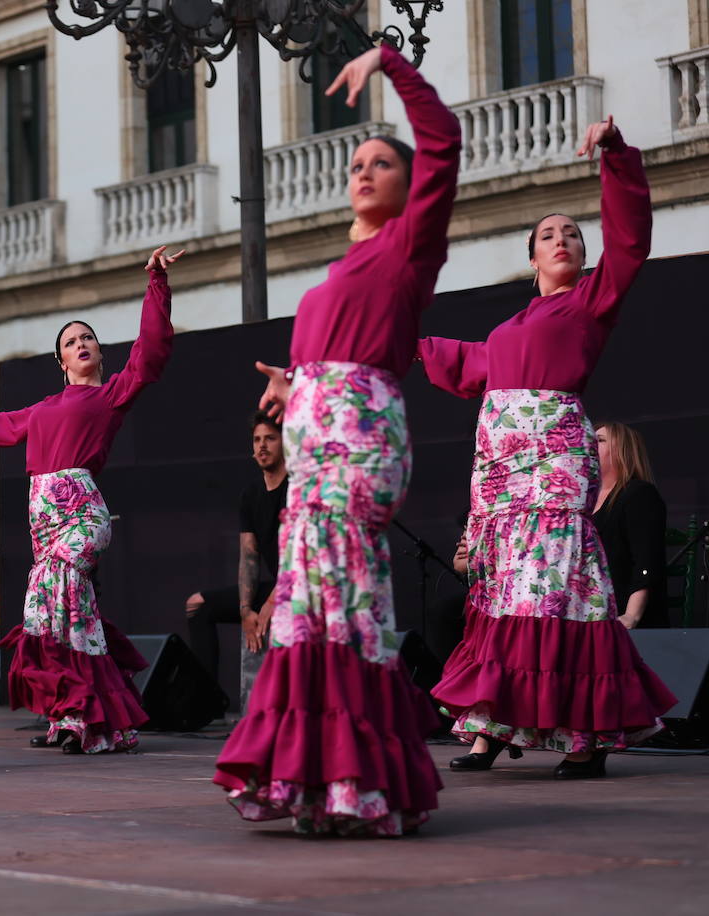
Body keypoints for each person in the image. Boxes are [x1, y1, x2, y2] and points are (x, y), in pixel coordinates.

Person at [214, 44, 458, 836]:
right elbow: (330, 362)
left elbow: (447, 142)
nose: (364, 170)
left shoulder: (408, 248)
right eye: (357, 161)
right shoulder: (338, 269)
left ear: (407, 184)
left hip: (359, 444)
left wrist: (392, 64)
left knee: (346, 598)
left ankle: (361, 781)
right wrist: (294, 390)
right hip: (316, 437)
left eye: (382, 162)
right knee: (314, 607)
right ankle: (326, 780)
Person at [418, 116, 676, 778]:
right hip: (504, 479)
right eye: (548, 234)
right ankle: (488, 731)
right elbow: (436, 356)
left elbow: (630, 237)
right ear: (531, 256)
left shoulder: (591, 301)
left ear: (585, 257)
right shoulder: (507, 330)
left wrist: (615, 156)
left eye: (573, 234)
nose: (562, 239)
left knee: (551, 593)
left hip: (555, 469)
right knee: (507, 596)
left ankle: (586, 736)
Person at [0, 245, 183, 754]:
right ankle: (74, 716)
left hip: (82, 515)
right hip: (44, 526)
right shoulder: (42, 410)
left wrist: (157, 285)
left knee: (59, 602)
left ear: (99, 353)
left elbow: (151, 352)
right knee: (55, 618)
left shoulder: (111, 394)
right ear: (61, 362)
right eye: (71, 342)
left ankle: (89, 718)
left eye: (88, 339)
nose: (81, 344)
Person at [184, 412, 288, 679]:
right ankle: (208, 702)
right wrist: (245, 610)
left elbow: (299, 559)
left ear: (286, 443)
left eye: (270, 439)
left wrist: (270, 603)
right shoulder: (252, 495)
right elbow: (249, 556)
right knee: (199, 605)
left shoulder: (296, 488)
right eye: (257, 440)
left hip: (301, 587)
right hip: (277, 587)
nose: (262, 445)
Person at [593, 422, 669, 629]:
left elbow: (647, 560)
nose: (589, 445)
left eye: (599, 440)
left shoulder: (639, 494)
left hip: (620, 614)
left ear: (621, 450)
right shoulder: (582, 500)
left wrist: (631, 615)